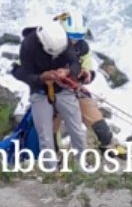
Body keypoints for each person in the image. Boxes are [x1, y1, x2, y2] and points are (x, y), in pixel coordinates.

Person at [12, 20, 87, 168]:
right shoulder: (28, 45)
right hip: (39, 91)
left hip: (63, 88)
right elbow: (22, 73)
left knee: (76, 129)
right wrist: (41, 78)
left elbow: (75, 63)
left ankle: (82, 163)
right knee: (45, 134)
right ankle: (51, 168)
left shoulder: (62, 40)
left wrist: (68, 72)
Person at [54, 10, 125, 154]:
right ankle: (54, 154)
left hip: (74, 89)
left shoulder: (82, 48)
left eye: (79, 36)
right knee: (50, 130)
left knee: (96, 120)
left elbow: (89, 70)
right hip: (49, 93)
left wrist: (86, 74)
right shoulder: (47, 44)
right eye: (72, 36)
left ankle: (107, 145)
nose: (74, 40)